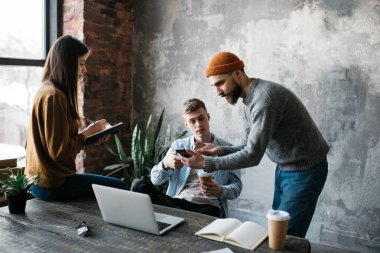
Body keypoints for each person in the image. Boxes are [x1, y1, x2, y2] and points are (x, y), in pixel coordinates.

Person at [181, 51, 329, 237]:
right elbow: (247, 145)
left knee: (286, 237)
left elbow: (252, 155)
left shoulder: (264, 101)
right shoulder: (248, 101)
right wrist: (221, 150)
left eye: (220, 83)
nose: (217, 92)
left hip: (305, 171)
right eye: (214, 86)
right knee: (278, 234)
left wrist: (205, 163)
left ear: (237, 73)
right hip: (285, 168)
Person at [25, 35, 127, 201]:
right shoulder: (54, 96)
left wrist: (90, 137)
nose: (84, 70)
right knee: (121, 187)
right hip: (52, 185)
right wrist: (86, 134)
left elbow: (46, 144)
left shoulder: (44, 90)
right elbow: (58, 152)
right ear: (67, 63)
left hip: (40, 182)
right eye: (81, 63)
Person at [132, 98, 242, 217]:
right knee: (138, 185)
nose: (198, 124)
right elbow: (155, 180)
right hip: (179, 202)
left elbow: (236, 187)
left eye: (201, 118)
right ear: (186, 124)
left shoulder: (226, 149)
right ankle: (184, 217)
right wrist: (165, 164)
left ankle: (179, 217)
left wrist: (220, 190)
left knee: (206, 214)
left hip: (208, 206)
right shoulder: (179, 145)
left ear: (208, 117)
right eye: (192, 121)